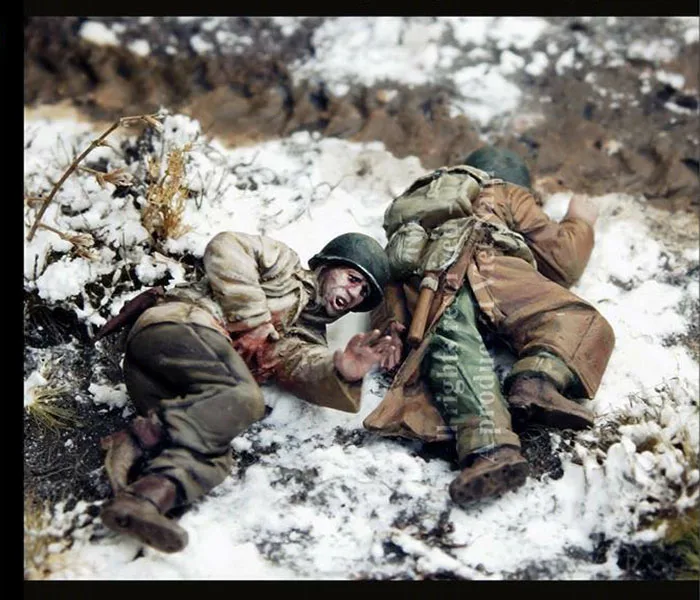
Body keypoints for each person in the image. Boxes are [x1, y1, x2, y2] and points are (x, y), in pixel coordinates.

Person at [97, 231, 397, 553]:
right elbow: (227, 246)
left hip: (166, 387)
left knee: (215, 456)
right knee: (245, 398)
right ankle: (140, 438)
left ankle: (142, 501)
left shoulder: (307, 335)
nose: (354, 295)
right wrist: (254, 321)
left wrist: (342, 370)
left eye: (363, 293)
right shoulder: (284, 267)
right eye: (353, 279)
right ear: (327, 266)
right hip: (175, 330)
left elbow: (301, 365)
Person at [364, 146, 615, 506]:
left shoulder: (413, 205)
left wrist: (393, 325)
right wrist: (580, 221)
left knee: (453, 355)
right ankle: (538, 380)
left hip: (429, 279)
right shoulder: (503, 191)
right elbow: (563, 262)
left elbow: (390, 276)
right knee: (575, 318)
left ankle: (491, 450)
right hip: (493, 264)